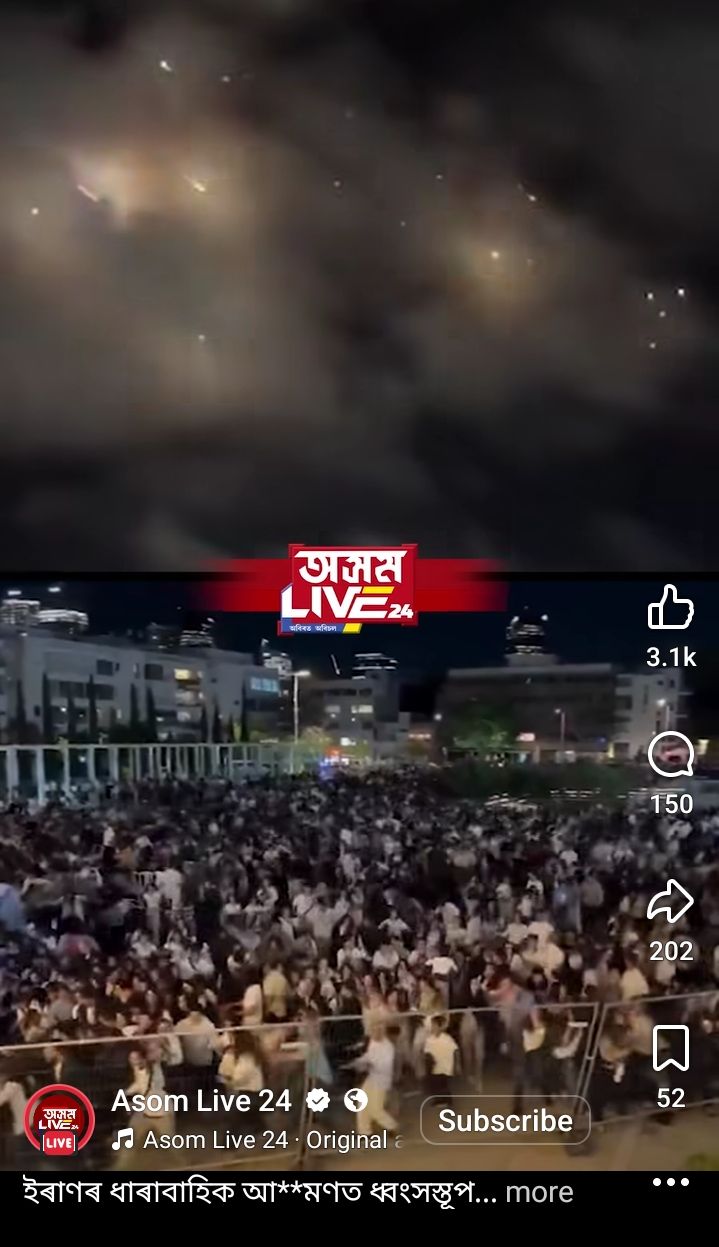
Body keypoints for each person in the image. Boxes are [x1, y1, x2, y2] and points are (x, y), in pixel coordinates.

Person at [350, 1022, 398, 1138]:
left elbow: (384, 1065)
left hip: (381, 1080)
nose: (374, 1033)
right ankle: (364, 1132)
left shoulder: (388, 1047)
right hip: (372, 1077)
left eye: (377, 1030)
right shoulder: (373, 1042)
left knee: (375, 1108)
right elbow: (369, 1055)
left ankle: (391, 1126)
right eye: (373, 1031)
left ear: (382, 1032)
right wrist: (358, 1062)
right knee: (362, 1103)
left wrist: (368, 1065)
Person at [424, 1015, 459, 1106]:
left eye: (435, 1025)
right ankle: (439, 1100)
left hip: (445, 1066)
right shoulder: (429, 1039)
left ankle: (448, 1102)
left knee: (443, 1085)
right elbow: (427, 1052)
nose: (433, 1027)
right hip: (435, 1067)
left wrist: (457, 1065)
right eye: (432, 1025)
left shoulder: (447, 1039)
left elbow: (455, 1050)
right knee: (435, 1084)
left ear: (440, 1026)